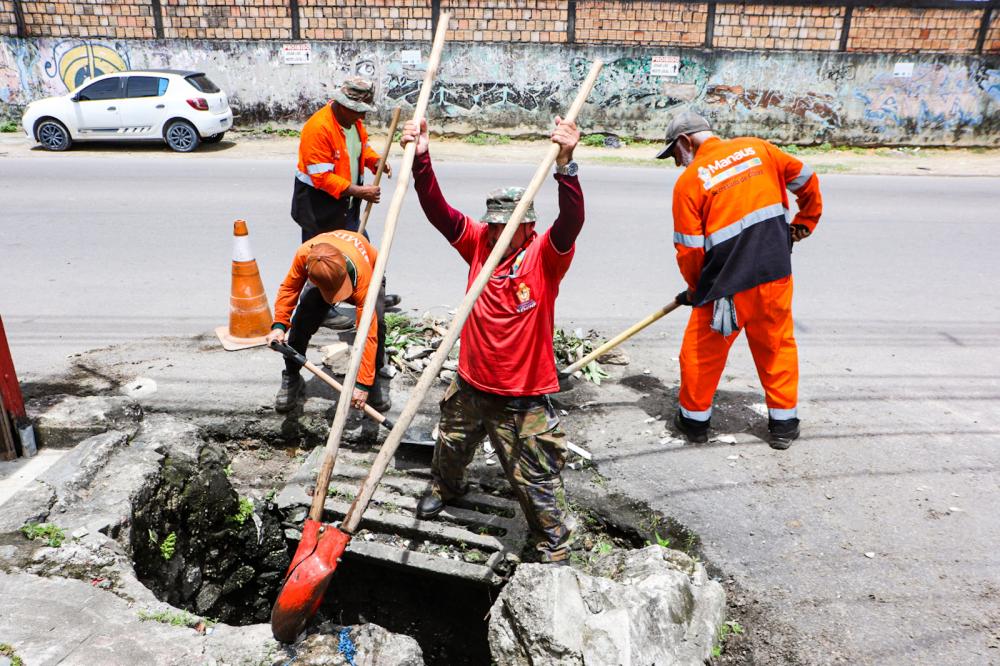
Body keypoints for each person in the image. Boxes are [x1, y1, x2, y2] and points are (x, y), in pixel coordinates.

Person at [400, 115, 584, 565]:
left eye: (510, 225)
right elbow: (438, 211)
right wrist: (422, 157)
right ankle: (447, 488)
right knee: (451, 445)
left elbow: (572, 221)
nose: (499, 232)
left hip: (521, 394)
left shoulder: (544, 255)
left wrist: (567, 165)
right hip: (470, 382)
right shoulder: (479, 242)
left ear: (528, 227)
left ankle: (553, 542)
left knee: (533, 476)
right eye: (495, 224)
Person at [658, 109, 822, 450]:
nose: (677, 164)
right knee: (776, 346)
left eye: (675, 154)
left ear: (686, 141)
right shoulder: (759, 149)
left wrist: (695, 289)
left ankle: (693, 423)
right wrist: (805, 221)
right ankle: (783, 426)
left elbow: (689, 251)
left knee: (702, 353)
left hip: (726, 290)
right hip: (775, 275)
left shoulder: (689, 183)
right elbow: (807, 181)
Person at [291, 77, 398, 331]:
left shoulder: (353, 123)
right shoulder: (318, 127)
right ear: (342, 104)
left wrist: (375, 161)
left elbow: (361, 148)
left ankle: (372, 297)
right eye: (357, 110)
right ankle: (320, 309)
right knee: (323, 258)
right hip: (318, 205)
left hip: (345, 202)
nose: (360, 115)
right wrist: (361, 192)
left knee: (361, 248)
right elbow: (321, 177)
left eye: (363, 111)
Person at [265, 230, 390, 414]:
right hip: (325, 271)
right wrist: (279, 325)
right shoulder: (305, 255)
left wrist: (363, 384)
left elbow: (368, 334)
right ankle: (291, 375)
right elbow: (290, 288)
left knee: (376, 327)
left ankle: (374, 378)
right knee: (302, 320)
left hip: (366, 270)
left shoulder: (364, 278)